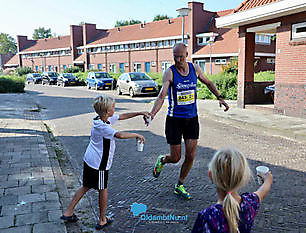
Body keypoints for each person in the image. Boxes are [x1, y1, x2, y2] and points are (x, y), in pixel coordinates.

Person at [149, 42, 229, 199]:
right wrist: (152, 113)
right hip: (175, 120)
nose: (177, 59)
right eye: (175, 56)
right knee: (176, 157)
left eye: (180, 56)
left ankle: (180, 184)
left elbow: (209, 83)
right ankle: (163, 160)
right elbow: (162, 95)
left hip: (192, 119)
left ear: (187, 55)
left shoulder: (195, 69)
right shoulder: (169, 73)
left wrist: (220, 97)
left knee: (191, 156)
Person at [60, 94, 149, 230]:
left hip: (90, 159)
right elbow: (119, 135)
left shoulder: (100, 119)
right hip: (99, 164)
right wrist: (137, 135)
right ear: (107, 111)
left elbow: (122, 116)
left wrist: (139, 113)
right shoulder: (103, 127)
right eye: (113, 107)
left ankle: (68, 212)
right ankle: (102, 220)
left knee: (86, 186)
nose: (115, 109)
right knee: (102, 189)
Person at [191, 148, 273, 233]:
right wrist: (268, 180)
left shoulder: (207, 217)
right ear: (242, 178)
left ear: (211, 175)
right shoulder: (249, 204)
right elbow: (262, 192)